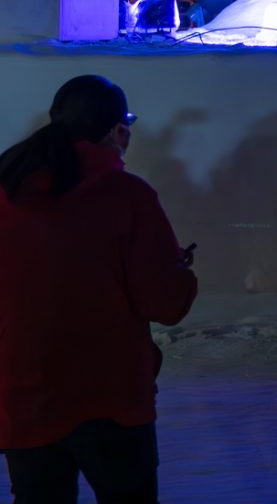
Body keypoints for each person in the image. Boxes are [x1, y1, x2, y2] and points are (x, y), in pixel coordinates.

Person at [0, 75, 197, 504]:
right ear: (118, 132)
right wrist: (180, 270)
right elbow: (164, 302)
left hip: (23, 394)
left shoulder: (7, 188)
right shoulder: (127, 196)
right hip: (112, 396)